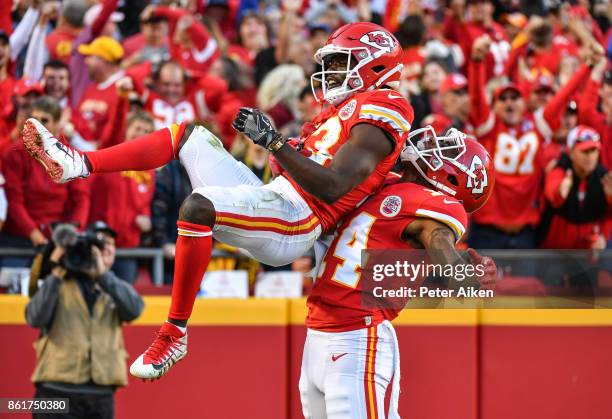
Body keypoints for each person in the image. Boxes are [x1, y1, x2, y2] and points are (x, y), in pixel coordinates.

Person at [23, 22, 413, 380]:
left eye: (341, 62)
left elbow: (332, 185)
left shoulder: (387, 107)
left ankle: (174, 332)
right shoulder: (339, 111)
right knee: (188, 136)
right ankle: (79, 163)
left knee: (198, 206)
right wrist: (287, 149)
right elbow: (307, 167)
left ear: (375, 67)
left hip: (299, 219)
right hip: (280, 198)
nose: (331, 72)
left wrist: (274, 142)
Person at [301, 127, 496, 418]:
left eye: (447, 150)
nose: (432, 144)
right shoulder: (389, 182)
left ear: (455, 177)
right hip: (317, 332)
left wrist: (459, 270)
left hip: (357, 337)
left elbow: (439, 243)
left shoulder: (438, 208)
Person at [25, 222, 144, 419]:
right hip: (56, 388)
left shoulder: (113, 286)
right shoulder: (58, 281)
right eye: (100, 243)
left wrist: (103, 275)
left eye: (110, 244)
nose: (106, 248)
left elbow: (134, 309)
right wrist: (58, 267)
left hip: (100, 393)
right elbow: (35, 317)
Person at [2, 96, 89, 252]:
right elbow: (14, 200)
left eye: (45, 120)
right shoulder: (14, 154)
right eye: (34, 119)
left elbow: (81, 198)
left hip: (57, 237)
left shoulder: (70, 155)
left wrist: (75, 231)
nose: (38, 125)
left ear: (56, 125)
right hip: (19, 237)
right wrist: (34, 233)